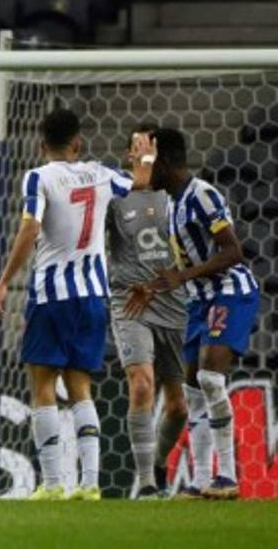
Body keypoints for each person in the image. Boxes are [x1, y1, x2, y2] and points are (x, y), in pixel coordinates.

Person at [0, 108, 154, 501]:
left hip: (51, 296)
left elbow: (30, 227)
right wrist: (143, 157)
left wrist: (3, 281)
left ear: (41, 144)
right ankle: (91, 484)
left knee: (43, 384)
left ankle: (52, 484)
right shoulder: (100, 172)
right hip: (93, 296)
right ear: (77, 143)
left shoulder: (39, 176)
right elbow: (141, 185)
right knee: (81, 387)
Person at [126, 128, 260, 500]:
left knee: (211, 380)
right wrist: (153, 287)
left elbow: (233, 251)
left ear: (166, 162)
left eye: (150, 162)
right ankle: (202, 479)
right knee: (194, 392)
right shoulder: (170, 203)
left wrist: (181, 276)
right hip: (198, 302)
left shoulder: (202, 195)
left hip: (230, 292)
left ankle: (228, 477)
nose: (146, 169)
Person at [105, 124, 188, 499]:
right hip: (130, 302)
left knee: (179, 408)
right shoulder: (114, 197)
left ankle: (158, 464)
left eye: (149, 146)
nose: (144, 153)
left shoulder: (177, 196)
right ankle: (148, 486)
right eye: (137, 147)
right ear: (128, 156)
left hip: (173, 304)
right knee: (141, 385)